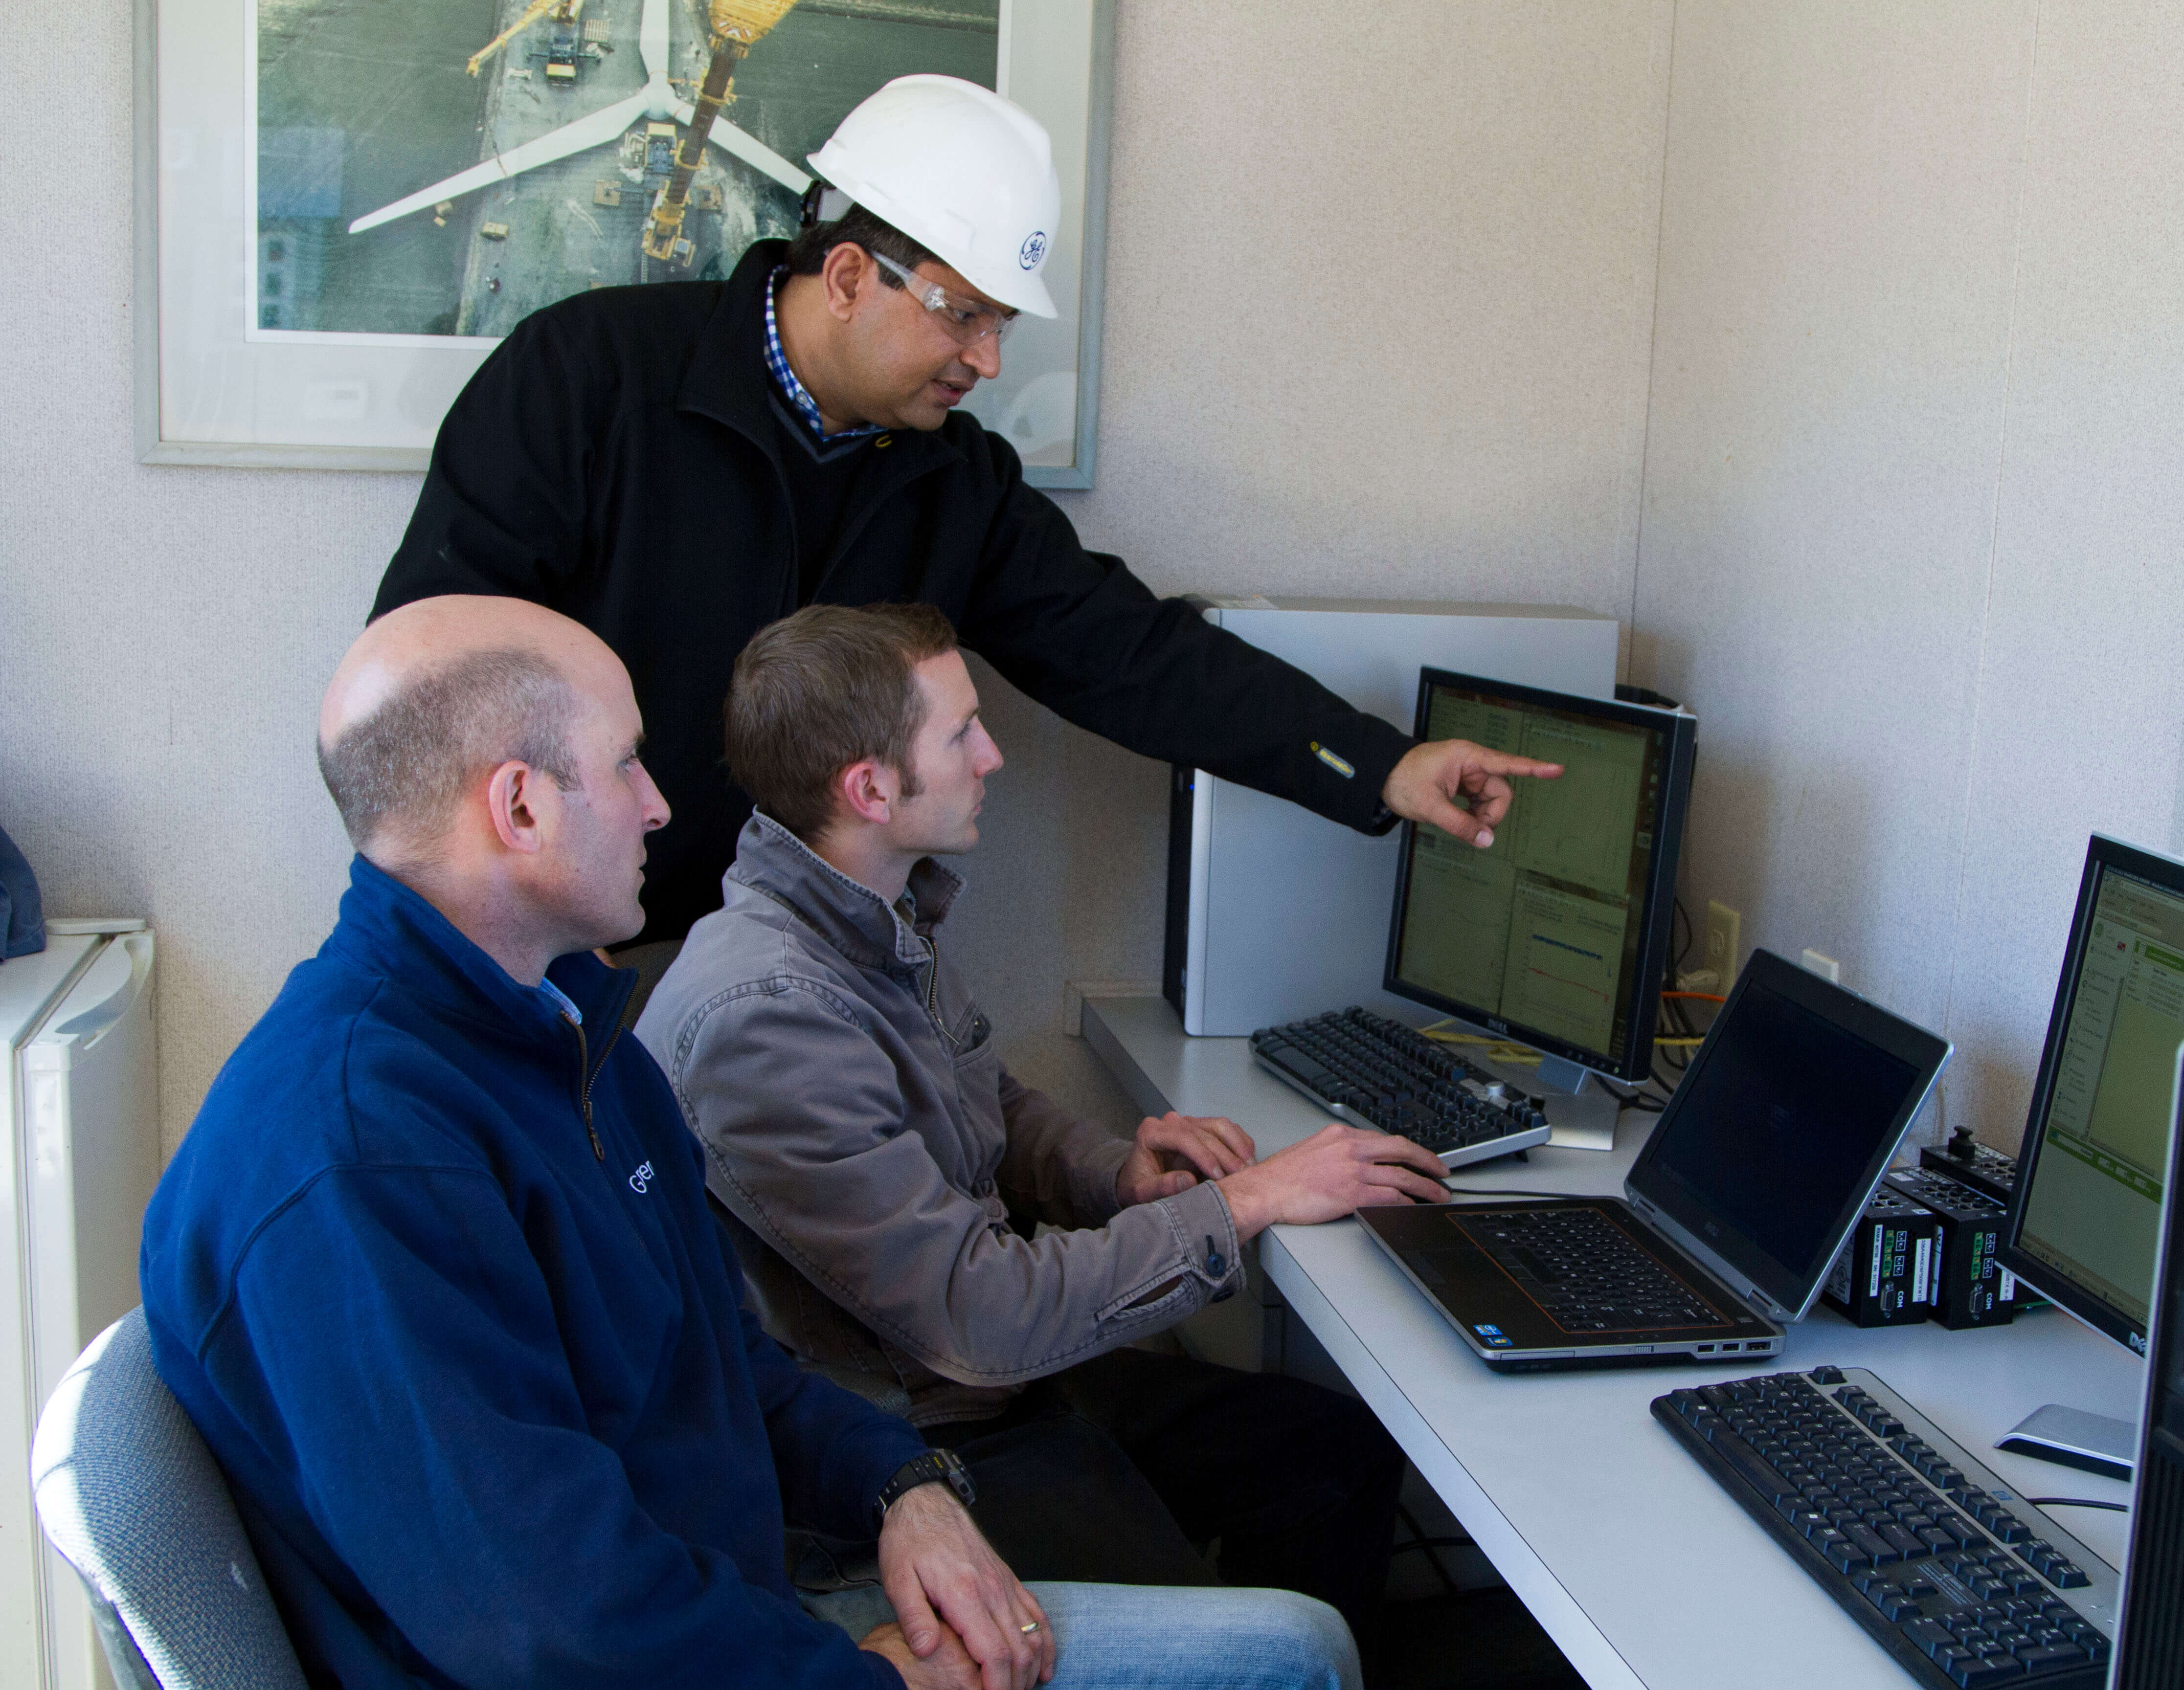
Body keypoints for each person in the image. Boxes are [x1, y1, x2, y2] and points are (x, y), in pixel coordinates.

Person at [139, 594, 1358, 1690]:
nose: (664, 807)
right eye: (625, 766)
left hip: (737, 1596)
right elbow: (547, 1628)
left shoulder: (562, 1029)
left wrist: (902, 1483)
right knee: (1291, 1659)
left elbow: (719, 1355)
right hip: (725, 1639)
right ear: (518, 806)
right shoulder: (360, 1161)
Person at [371, 74, 1558, 955]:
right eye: (963, 316)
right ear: (847, 278)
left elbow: (1135, 657)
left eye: (1004, 326)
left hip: (804, 974)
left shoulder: (956, 482)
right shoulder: (586, 380)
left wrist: (1381, 766)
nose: (986, 361)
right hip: (556, 961)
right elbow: (430, 680)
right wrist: (491, 955)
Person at [635, 603, 1452, 1649]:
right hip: (911, 1447)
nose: (995, 755)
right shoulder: (768, 1015)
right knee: (1273, 1647)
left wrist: (1122, 1173)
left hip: (981, 1390)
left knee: (1333, 1457)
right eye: (961, 734)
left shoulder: (867, 910)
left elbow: (987, 1101)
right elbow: (982, 1315)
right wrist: (1245, 1201)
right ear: (870, 787)